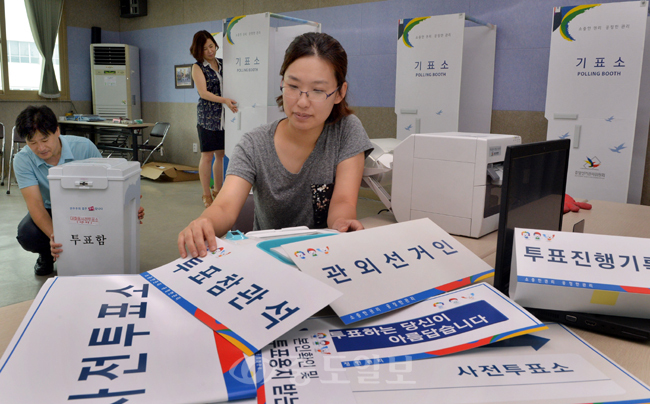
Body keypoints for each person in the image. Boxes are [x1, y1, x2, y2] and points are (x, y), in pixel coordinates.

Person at [178, 32, 373, 259]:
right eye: (292, 86)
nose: (302, 102)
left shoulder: (346, 131)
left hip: (323, 259)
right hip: (267, 263)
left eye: (318, 90)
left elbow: (343, 201)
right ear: (282, 83)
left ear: (340, 92)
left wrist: (342, 223)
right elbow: (224, 206)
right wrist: (205, 222)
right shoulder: (254, 144)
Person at [13, 105, 145, 276]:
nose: (40, 148)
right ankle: (47, 254)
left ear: (57, 131)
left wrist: (127, 208)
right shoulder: (23, 160)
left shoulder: (83, 147)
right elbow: (35, 204)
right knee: (27, 233)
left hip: (88, 206)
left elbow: (108, 186)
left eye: (44, 140)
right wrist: (56, 236)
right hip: (51, 209)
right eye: (32, 143)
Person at [190, 30, 239, 208]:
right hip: (207, 117)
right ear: (199, 51)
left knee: (220, 155)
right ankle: (206, 194)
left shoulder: (223, 63)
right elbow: (203, 93)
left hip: (224, 118)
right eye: (205, 48)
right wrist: (224, 100)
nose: (210, 51)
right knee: (207, 155)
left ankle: (218, 191)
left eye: (212, 46)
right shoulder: (197, 67)